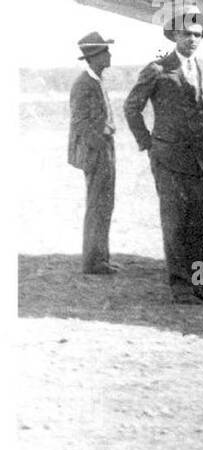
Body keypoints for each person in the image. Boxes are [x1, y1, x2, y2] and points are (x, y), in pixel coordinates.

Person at [124, 13, 203, 303]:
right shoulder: (157, 69)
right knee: (175, 221)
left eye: (198, 35)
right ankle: (180, 286)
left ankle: (198, 283)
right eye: (187, 34)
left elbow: (199, 112)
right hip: (167, 157)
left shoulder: (199, 68)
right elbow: (131, 107)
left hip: (198, 158)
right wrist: (147, 143)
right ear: (175, 36)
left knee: (199, 222)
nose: (193, 39)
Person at [67, 31, 118, 275]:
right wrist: (100, 144)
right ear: (94, 57)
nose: (109, 54)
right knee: (98, 204)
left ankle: (101, 259)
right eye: (105, 51)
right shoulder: (83, 84)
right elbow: (80, 123)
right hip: (96, 151)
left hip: (103, 148)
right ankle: (93, 261)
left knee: (104, 203)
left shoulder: (95, 81)